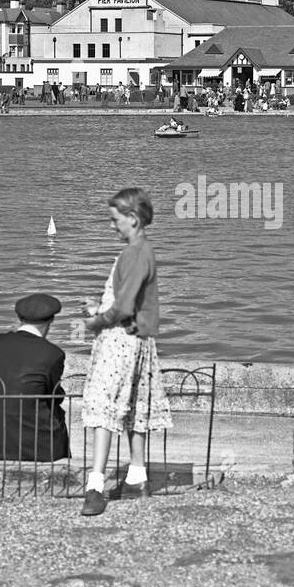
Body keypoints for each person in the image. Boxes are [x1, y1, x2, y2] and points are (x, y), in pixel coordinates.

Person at [79, 188, 172, 516]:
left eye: (115, 220)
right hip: (139, 339)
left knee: (105, 410)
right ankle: (137, 478)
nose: (111, 227)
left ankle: (95, 486)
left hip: (121, 340)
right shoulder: (142, 251)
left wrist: (94, 321)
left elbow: (123, 307)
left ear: (133, 219)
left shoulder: (134, 254)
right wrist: (100, 305)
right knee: (134, 408)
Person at [0, 294, 70, 462]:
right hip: (33, 443)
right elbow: (53, 394)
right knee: (56, 413)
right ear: (51, 321)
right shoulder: (53, 353)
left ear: (19, 318)